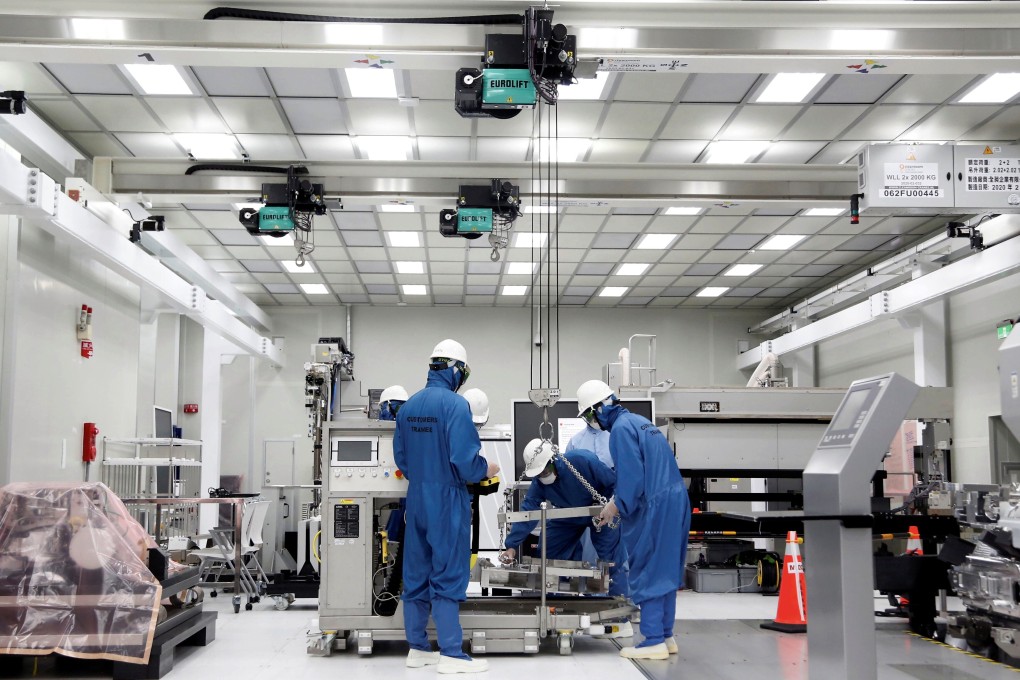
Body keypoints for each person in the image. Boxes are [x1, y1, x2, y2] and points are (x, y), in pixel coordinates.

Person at [394, 339, 499, 674]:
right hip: (447, 500)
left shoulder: (409, 407)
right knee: (448, 575)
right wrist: (487, 469)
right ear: (456, 369)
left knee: (416, 575)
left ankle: (418, 649)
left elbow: (402, 459)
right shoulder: (455, 406)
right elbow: (465, 462)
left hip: (417, 499)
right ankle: (452, 653)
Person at [576, 379, 691, 661]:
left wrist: (615, 508)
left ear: (600, 408)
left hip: (655, 504)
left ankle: (652, 640)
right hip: (676, 499)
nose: (593, 422)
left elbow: (631, 480)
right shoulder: (641, 422)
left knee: (648, 566)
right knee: (665, 570)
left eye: (590, 415)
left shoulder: (620, 431)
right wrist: (617, 502)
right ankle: (665, 635)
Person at [498, 439, 631, 615]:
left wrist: (612, 506)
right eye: (539, 474)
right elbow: (528, 511)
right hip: (568, 515)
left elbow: (615, 482)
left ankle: (619, 614)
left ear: (554, 459)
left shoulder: (582, 461)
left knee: (611, 560)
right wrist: (512, 546)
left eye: (546, 470)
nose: (544, 476)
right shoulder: (539, 483)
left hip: (601, 512)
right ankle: (552, 609)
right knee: (547, 553)